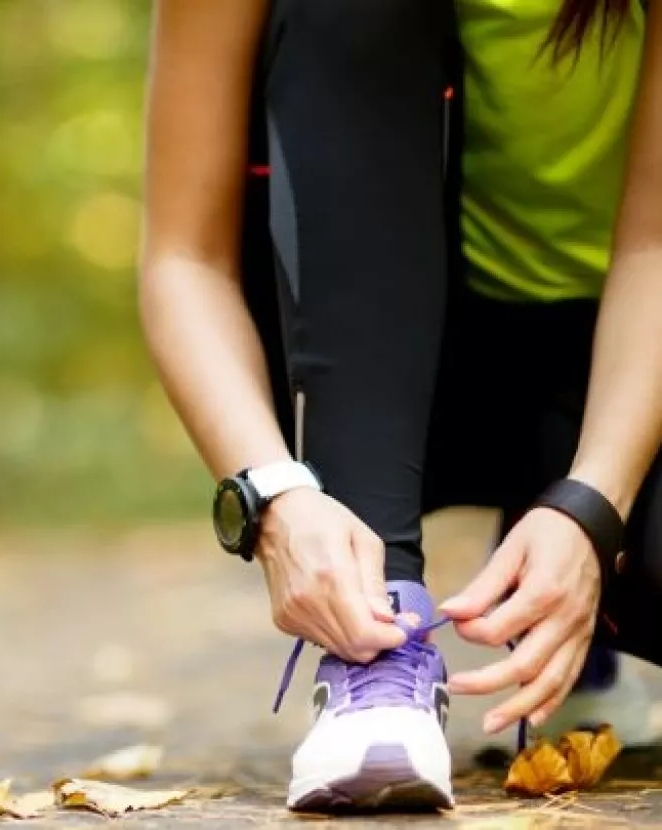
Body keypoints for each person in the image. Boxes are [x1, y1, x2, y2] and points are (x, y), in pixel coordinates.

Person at [140, 0, 662, 813]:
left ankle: (580, 614)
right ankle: (377, 655)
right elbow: (184, 259)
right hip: (390, 354)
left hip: (628, 364)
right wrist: (272, 493)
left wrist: (592, 507)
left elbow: (655, 244)